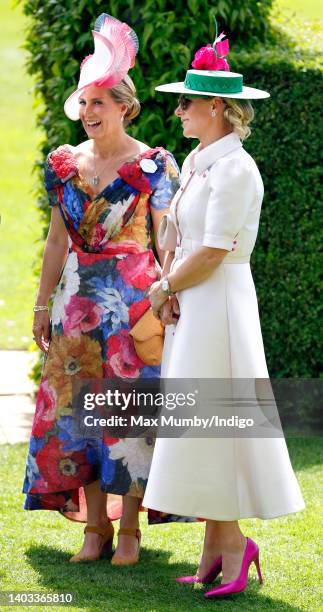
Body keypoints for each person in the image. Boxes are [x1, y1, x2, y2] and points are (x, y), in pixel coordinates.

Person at [144, 24, 305, 598]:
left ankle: (235, 545)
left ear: (216, 106)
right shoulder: (198, 161)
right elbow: (179, 233)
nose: (180, 111)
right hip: (195, 300)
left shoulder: (237, 169)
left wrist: (163, 292)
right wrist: (169, 281)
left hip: (221, 307)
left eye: (187, 102)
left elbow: (215, 250)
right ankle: (214, 547)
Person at [23, 14, 179, 566]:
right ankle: (94, 528)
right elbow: (55, 241)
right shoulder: (64, 165)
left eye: (98, 103)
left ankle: (131, 529)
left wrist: (172, 294)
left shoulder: (154, 165)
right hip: (75, 305)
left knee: (129, 415)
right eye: (82, 103)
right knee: (76, 415)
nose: (87, 113)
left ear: (124, 107)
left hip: (134, 302)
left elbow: (169, 239)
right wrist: (42, 306)